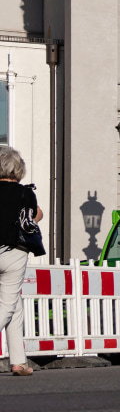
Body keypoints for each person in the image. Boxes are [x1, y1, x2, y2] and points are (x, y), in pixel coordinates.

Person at [0, 146, 41, 375]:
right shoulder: (25, 193)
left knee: (15, 304)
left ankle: (19, 361)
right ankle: (18, 362)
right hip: (14, 251)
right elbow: (34, 216)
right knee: (7, 304)